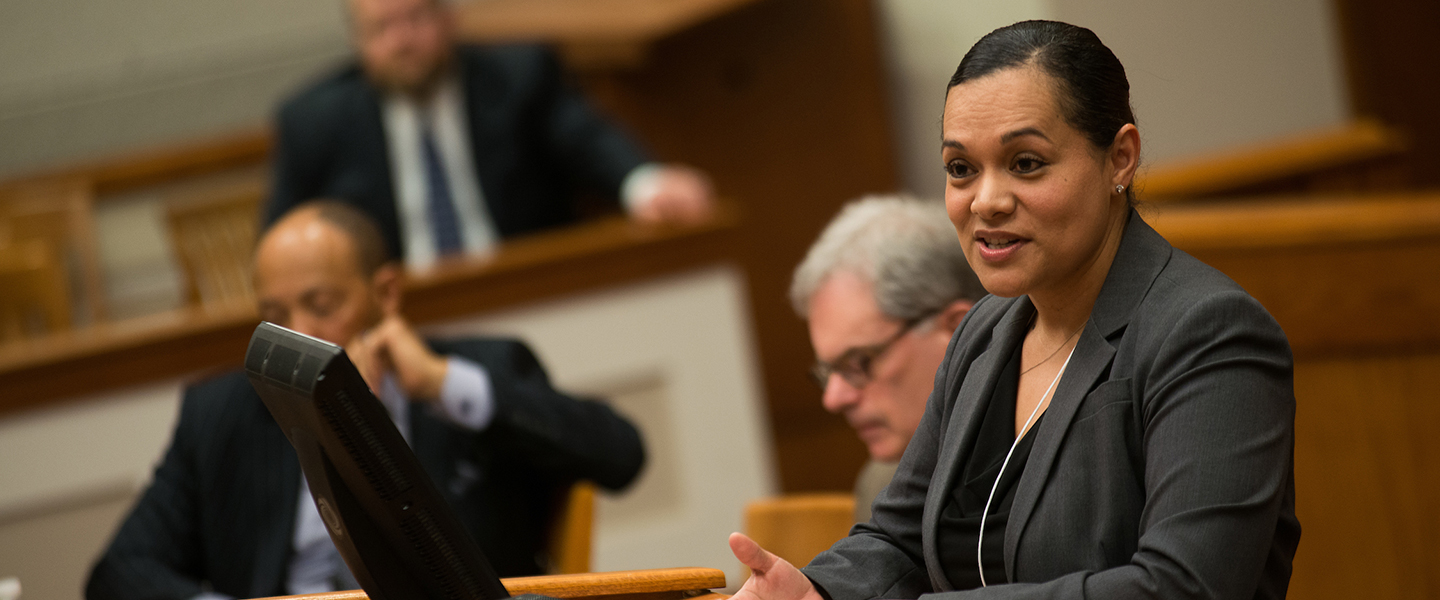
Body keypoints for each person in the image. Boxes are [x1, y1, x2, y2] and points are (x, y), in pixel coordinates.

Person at [729, 20, 1299, 600]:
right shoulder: (985, 332)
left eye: (1026, 163)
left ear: (1120, 159)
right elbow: (897, 540)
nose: (987, 201)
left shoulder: (1208, 332)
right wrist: (813, 592)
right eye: (961, 169)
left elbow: (1184, 587)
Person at [87, 201, 645, 600]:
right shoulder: (222, 411)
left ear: (386, 294)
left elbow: (622, 454)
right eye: (275, 316)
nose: (299, 333)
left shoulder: (482, 368)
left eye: (322, 305)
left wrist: (444, 385)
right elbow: (121, 571)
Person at [267, 0, 714, 269]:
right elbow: (278, 238)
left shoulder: (520, 75)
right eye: (382, 28)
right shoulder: (313, 121)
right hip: (400, 321)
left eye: (415, 18)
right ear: (358, 41)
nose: (402, 41)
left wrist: (646, 184)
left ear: (448, 19)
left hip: (531, 291)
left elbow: (586, 138)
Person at [789, 196, 983, 522]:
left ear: (958, 330)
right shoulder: (883, 482)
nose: (833, 399)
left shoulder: (1058, 456)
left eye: (858, 362)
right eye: (828, 372)